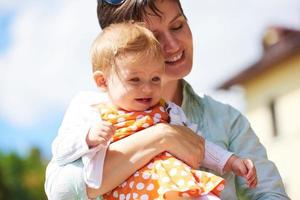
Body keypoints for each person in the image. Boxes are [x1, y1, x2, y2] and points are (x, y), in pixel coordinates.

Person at [45, 0, 289, 199]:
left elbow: (271, 194)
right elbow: (62, 192)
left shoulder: (226, 119)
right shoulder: (90, 110)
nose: (172, 45)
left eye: (177, 26)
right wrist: (162, 136)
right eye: (153, 37)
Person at [88, 22, 257, 200]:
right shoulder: (96, 117)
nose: (147, 88)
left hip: (180, 187)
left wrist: (230, 161)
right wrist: (88, 139)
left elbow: (197, 143)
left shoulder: (168, 111)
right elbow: (74, 162)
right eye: (135, 80)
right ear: (102, 81)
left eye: (155, 79)